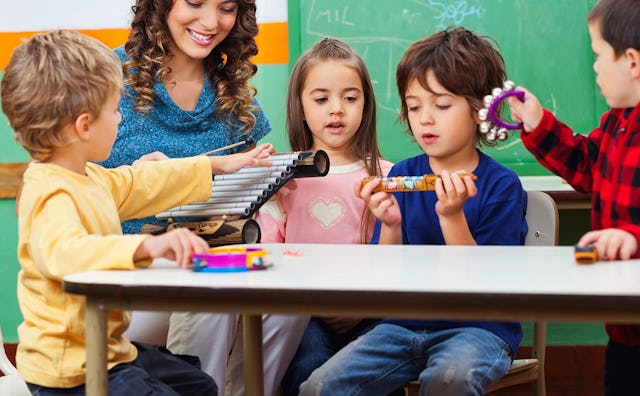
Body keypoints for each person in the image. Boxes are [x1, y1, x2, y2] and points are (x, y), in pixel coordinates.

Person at [0, 30, 274, 395]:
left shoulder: (87, 176)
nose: (119, 119)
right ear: (84, 126)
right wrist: (146, 248)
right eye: (114, 110)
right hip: (72, 368)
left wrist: (214, 165)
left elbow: (138, 183)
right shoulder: (50, 191)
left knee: (199, 385)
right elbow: (66, 253)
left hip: (109, 349)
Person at [300, 27, 528, 395]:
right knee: (318, 386)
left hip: (479, 327)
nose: (424, 119)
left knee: (447, 382)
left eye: (440, 105)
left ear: (478, 110)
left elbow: (486, 286)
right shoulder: (403, 174)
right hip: (402, 325)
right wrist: (389, 224)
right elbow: (384, 278)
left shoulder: (500, 186)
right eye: (414, 105)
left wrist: (452, 217)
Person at [506, 0, 640, 394]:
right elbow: (586, 165)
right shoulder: (617, 123)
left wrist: (633, 235)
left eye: (598, 55)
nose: (594, 67)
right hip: (625, 328)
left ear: (631, 61)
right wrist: (536, 122)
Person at [249, 37, 392, 396]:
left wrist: (363, 306)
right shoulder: (283, 178)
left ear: (365, 105)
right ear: (300, 106)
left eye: (350, 98)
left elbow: (397, 260)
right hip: (303, 312)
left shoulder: (387, 177)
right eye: (321, 98)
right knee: (308, 367)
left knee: (376, 369)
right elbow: (267, 255)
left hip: (370, 308)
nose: (337, 110)